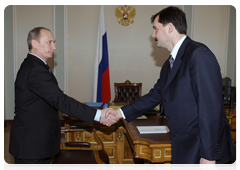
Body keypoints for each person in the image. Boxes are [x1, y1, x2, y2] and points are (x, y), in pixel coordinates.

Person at [104, 6, 234, 170]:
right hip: (184, 146)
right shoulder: (168, 65)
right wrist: (119, 113)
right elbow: (154, 96)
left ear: (170, 27)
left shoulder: (198, 54)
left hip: (201, 148)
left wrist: (209, 155)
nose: (153, 35)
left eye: (156, 29)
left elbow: (210, 108)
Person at [9, 27, 116, 170]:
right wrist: (98, 115)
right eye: (49, 42)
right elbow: (60, 100)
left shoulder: (36, 65)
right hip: (31, 145)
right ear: (34, 43)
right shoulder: (35, 69)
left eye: (54, 42)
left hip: (37, 142)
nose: (54, 47)